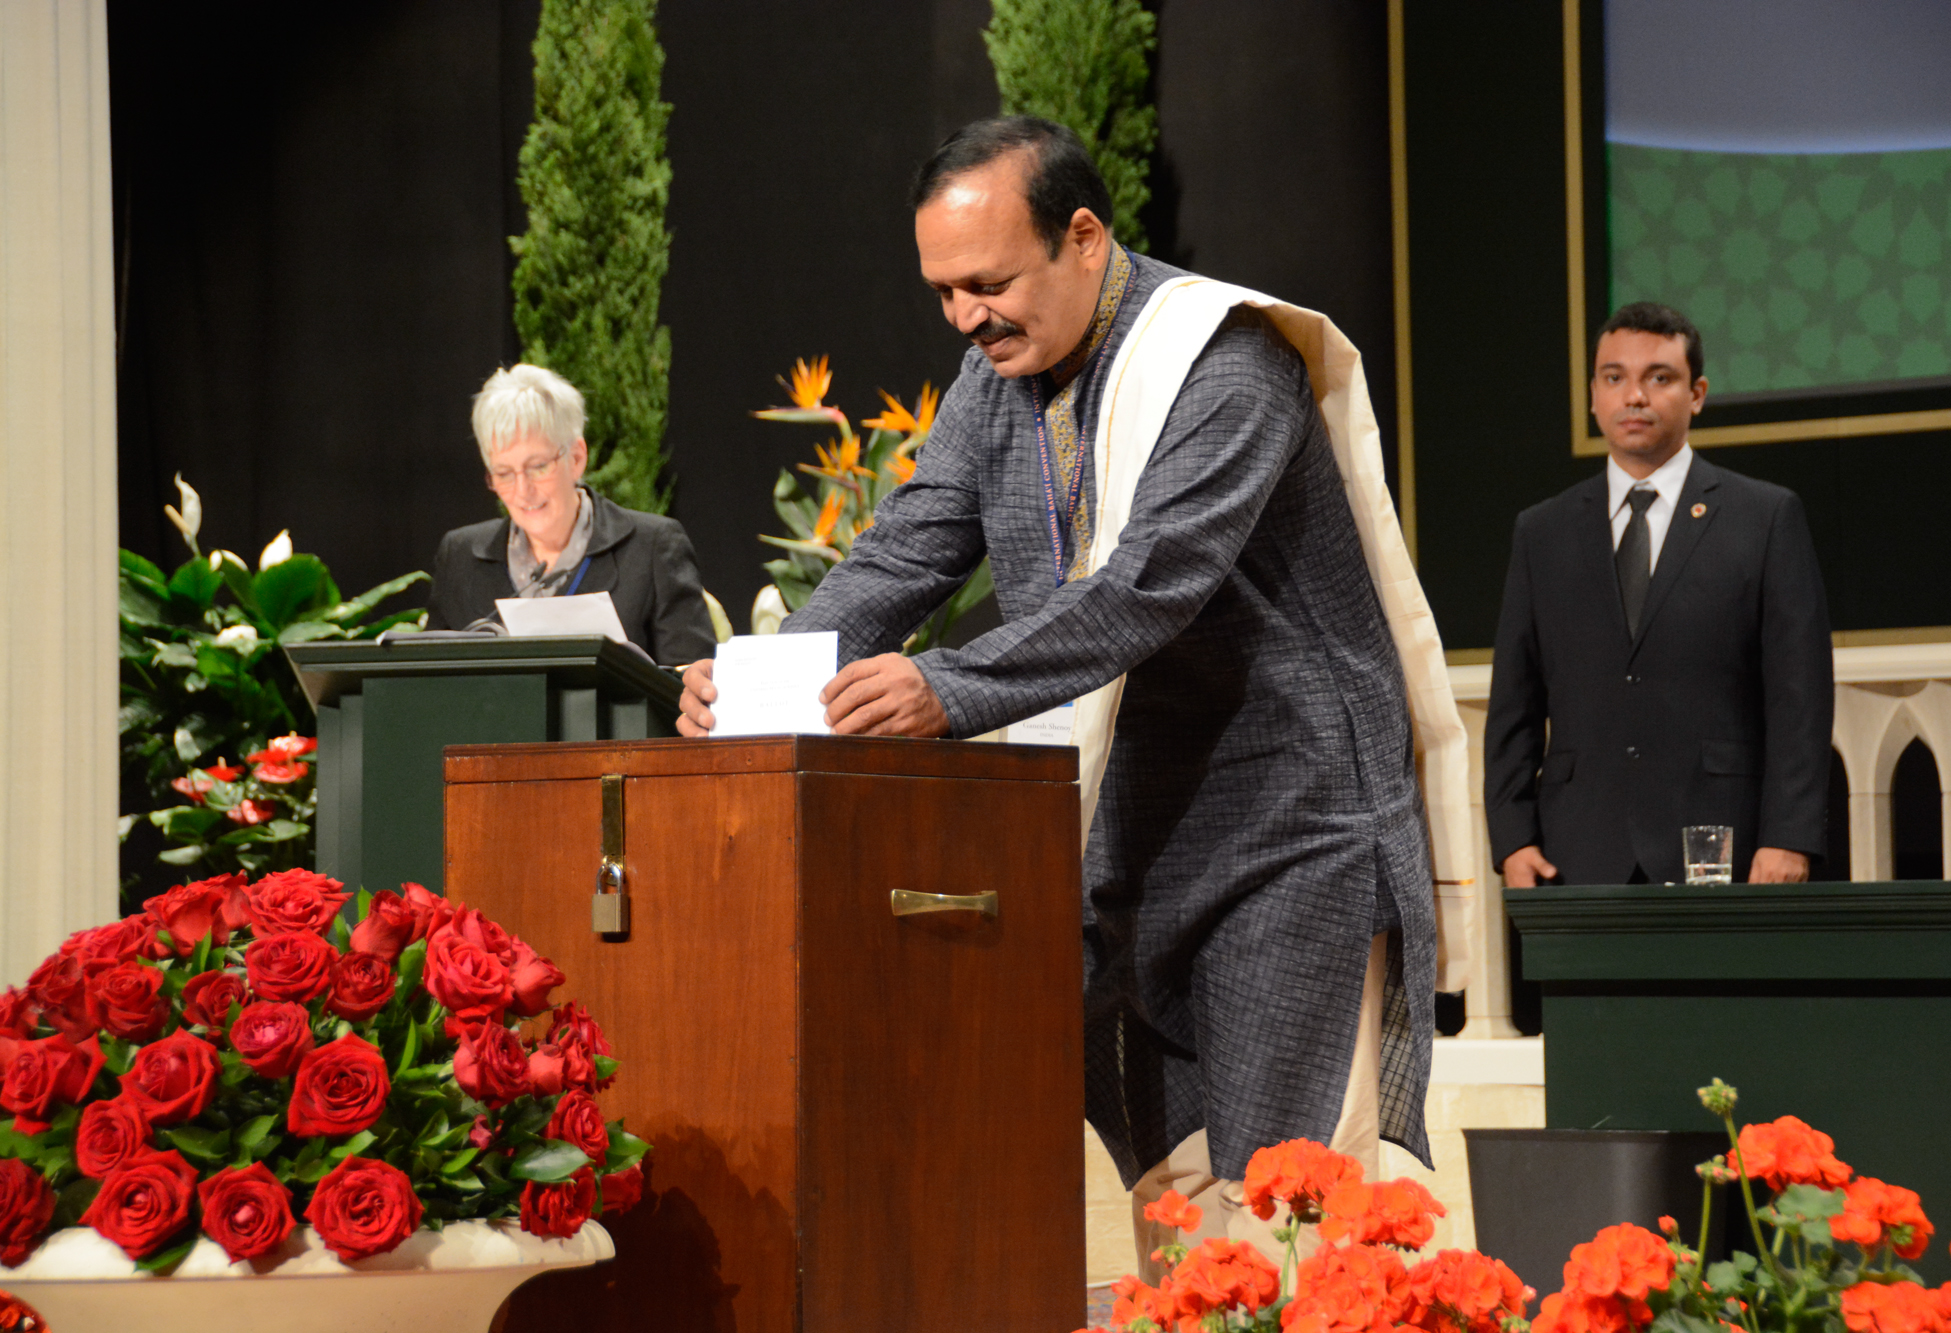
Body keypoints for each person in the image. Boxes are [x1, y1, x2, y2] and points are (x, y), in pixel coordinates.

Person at [677, 117, 1476, 1266]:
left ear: (1084, 238)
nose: (964, 316)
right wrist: (761, 682)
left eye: (988, 283)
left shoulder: (1224, 358)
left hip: (1290, 827)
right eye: (944, 290)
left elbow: (1149, 586)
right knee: (1181, 1204)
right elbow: (907, 550)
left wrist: (945, 687)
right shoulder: (991, 382)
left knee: (1290, 1200)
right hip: (1137, 827)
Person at [1486, 303, 1834, 889]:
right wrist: (1512, 837)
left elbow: (1800, 696)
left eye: (1660, 378)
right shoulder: (1541, 532)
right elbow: (1514, 703)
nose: (1635, 396)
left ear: (1696, 394)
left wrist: (1789, 835)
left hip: (1725, 846)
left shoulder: (1765, 517)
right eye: (1614, 377)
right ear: (1593, 395)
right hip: (1575, 853)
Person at [427, 363, 715, 667]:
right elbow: (427, 684)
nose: (523, 490)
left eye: (538, 467)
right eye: (504, 473)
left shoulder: (651, 548)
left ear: (576, 458)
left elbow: (693, 686)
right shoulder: (459, 557)